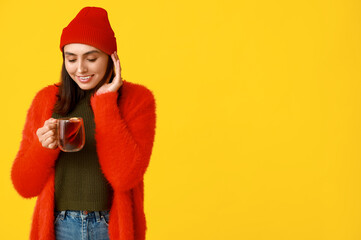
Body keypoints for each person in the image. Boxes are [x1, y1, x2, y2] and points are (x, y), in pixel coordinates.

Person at [10, 6, 156, 240]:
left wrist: (106, 102)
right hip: (60, 226)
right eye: (71, 59)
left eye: (91, 58)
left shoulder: (137, 100)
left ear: (111, 58)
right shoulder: (47, 100)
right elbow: (24, 186)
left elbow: (125, 176)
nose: (80, 69)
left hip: (109, 226)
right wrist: (42, 148)